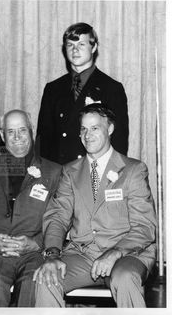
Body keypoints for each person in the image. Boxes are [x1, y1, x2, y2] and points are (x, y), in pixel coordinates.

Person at [33, 104, 156, 308]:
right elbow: (57, 217)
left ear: (110, 129)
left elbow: (144, 227)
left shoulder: (133, 170)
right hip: (83, 254)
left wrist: (115, 253)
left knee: (125, 278)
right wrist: (52, 254)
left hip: (126, 253)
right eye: (83, 129)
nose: (87, 135)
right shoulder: (70, 171)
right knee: (47, 277)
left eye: (95, 128)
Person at [0, 109, 61, 307]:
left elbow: (62, 220)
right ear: (2, 136)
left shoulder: (54, 171)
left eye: (22, 130)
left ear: (31, 131)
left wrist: (37, 243)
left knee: (33, 282)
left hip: (34, 254)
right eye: (11, 132)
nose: (17, 137)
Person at [35, 22, 129, 165]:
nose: (75, 50)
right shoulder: (53, 88)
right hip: (59, 173)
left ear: (94, 47)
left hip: (93, 171)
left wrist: (112, 178)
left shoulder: (111, 88)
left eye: (81, 45)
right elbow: (44, 139)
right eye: (70, 45)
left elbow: (119, 140)